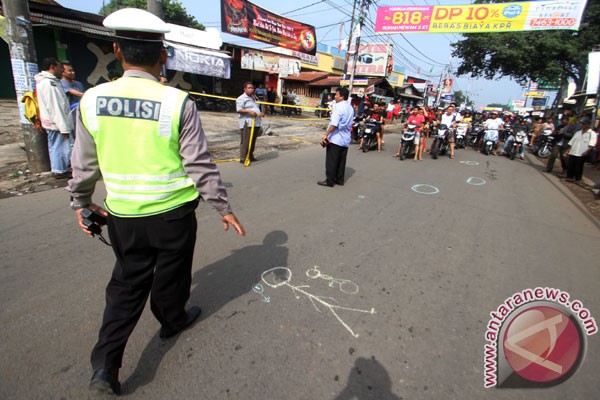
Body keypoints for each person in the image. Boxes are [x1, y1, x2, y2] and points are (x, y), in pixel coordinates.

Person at [67, 9, 245, 396]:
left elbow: (82, 166)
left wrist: (82, 205)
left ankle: (105, 368)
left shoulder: (92, 100)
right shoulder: (177, 102)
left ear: (116, 50)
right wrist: (223, 207)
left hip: (123, 215)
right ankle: (171, 320)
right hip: (174, 214)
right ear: (163, 55)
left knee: (127, 286)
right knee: (172, 274)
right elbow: (198, 164)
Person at [35, 57, 74, 178]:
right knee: (59, 147)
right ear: (52, 67)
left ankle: (62, 168)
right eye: (60, 68)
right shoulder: (48, 83)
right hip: (56, 123)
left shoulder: (51, 82)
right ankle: (59, 170)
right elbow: (55, 107)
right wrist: (63, 128)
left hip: (55, 122)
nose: (61, 71)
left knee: (60, 146)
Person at [318, 87, 353, 187]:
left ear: (342, 96)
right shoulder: (350, 108)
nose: (335, 96)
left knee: (332, 161)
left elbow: (334, 123)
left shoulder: (338, 107)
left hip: (336, 138)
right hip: (345, 138)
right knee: (341, 161)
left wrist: (326, 134)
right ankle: (339, 179)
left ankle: (330, 181)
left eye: (337, 94)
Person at [236, 82, 264, 163]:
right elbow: (239, 110)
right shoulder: (241, 98)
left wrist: (260, 113)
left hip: (256, 122)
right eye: (249, 88)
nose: (251, 89)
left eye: (252, 88)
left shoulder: (254, 97)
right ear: (245, 89)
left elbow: (255, 108)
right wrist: (249, 112)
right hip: (247, 123)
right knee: (246, 141)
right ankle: (243, 158)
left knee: (253, 140)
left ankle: (250, 156)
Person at [564, 117, 597, 183]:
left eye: (584, 124)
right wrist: (567, 151)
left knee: (578, 167)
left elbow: (592, 144)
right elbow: (572, 143)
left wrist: (587, 151)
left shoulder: (591, 133)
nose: (582, 125)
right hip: (573, 152)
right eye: (581, 124)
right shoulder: (578, 133)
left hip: (581, 153)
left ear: (588, 125)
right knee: (571, 166)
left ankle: (577, 179)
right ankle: (569, 177)